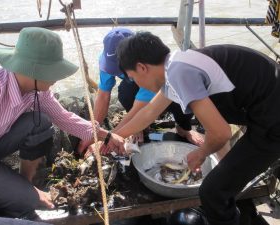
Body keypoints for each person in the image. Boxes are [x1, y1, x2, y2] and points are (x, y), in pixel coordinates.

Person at [114, 31, 280, 225]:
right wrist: (109, 137)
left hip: (272, 120)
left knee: (213, 192)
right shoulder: (176, 65)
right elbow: (147, 114)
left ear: (142, 67)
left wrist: (202, 153)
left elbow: (221, 132)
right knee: (226, 183)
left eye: (132, 78)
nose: (135, 83)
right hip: (263, 111)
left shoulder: (178, 73)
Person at [0, 27, 124, 219]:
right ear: (35, 70)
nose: (57, 77)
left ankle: (23, 183)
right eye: (54, 71)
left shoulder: (37, 90)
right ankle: (14, 193)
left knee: (40, 122)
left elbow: (64, 118)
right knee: (31, 203)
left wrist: (106, 136)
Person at [78, 28, 204, 154]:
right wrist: (92, 133)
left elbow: (146, 110)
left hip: (162, 88)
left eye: (121, 68)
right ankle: (138, 126)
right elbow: (103, 96)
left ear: (139, 64)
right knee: (125, 91)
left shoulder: (155, 72)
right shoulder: (106, 61)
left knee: (180, 100)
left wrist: (108, 140)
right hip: (140, 85)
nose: (115, 71)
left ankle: (183, 129)